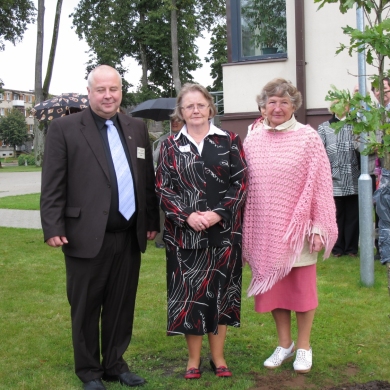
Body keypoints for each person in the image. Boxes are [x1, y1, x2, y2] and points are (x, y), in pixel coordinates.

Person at [40, 65, 160, 390]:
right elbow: (52, 183)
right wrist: (52, 225)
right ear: (89, 92)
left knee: (122, 305)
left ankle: (115, 364)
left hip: (129, 236)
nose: (108, 95)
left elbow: (145, 180)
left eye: (114, 89)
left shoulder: (135, 127)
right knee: (86, 307)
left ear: (121, 91)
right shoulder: (65, 129)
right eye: (101, 90)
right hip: (85, 235)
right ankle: (90, 371)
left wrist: (150, 220)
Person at [242, 78, 337, 374]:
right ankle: (285, 344)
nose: (278, 107)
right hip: (266, 231)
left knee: (302, 292)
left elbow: (320, 184)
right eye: (272, 102)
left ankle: (304, 347)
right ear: (263, 106)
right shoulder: (253, 139)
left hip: (299, 231)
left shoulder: (307, 137)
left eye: (284, 102)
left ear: (294, 105)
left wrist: (319, 226)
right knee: (275, 291)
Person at [155, 83, 248, 379]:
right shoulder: (170, 145)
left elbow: (241, 183)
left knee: (220, 295)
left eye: (200, 105)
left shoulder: (229, 140)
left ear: (210, 108)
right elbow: (162, 187)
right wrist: (187, 216)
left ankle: (218, 358)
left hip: (223, 232)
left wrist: (217, 213)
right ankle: (192, 360)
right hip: (185, 235)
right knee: (191, 295)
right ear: (180, 112)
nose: (195, 110)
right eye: (188, 106)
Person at [318, 103, 360, 257]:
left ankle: (351, 249)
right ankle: (337, 248)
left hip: (353, 174)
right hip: (333, 177)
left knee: (353, 214)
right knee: (336, 214)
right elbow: (320, 152)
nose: (342, 107)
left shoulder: (355, 125)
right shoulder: (324, 127)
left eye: (345, 105)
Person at [153, 118, 184, 249]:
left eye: (178, 120)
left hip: (181, 182)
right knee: (162, 210)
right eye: (172, 120)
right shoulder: (165, 138)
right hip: (165, 181)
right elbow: (155, 157)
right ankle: (160, 239)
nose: (174, 123)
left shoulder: (187, 137)